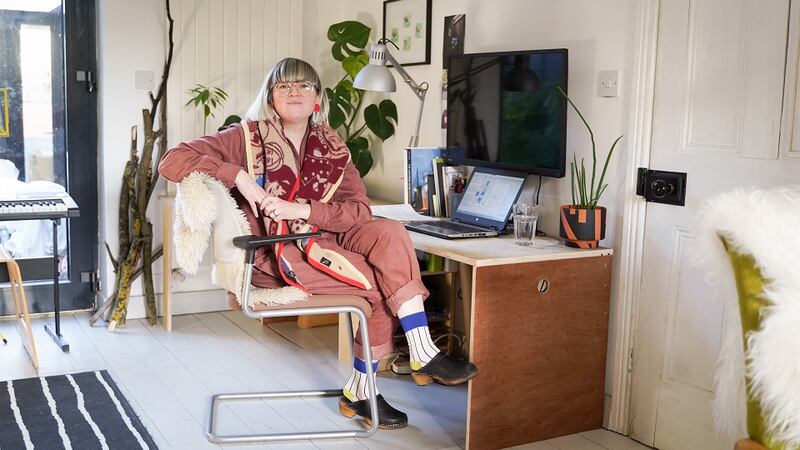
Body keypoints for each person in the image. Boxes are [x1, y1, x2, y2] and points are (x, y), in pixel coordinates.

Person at [158, 57, 477, 429]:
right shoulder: (242, 137)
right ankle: (362, 392)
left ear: (317, 98)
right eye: (284, 86)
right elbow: (171, 160)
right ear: (270, 96)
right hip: (275, 256)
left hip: (323, 237)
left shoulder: (332, 146)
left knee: (390, 231)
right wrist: (238, 176)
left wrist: (304, 210)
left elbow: (358, 210)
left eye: (304, 86)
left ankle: (420, 353)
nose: (294, 92)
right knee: (375, 288)